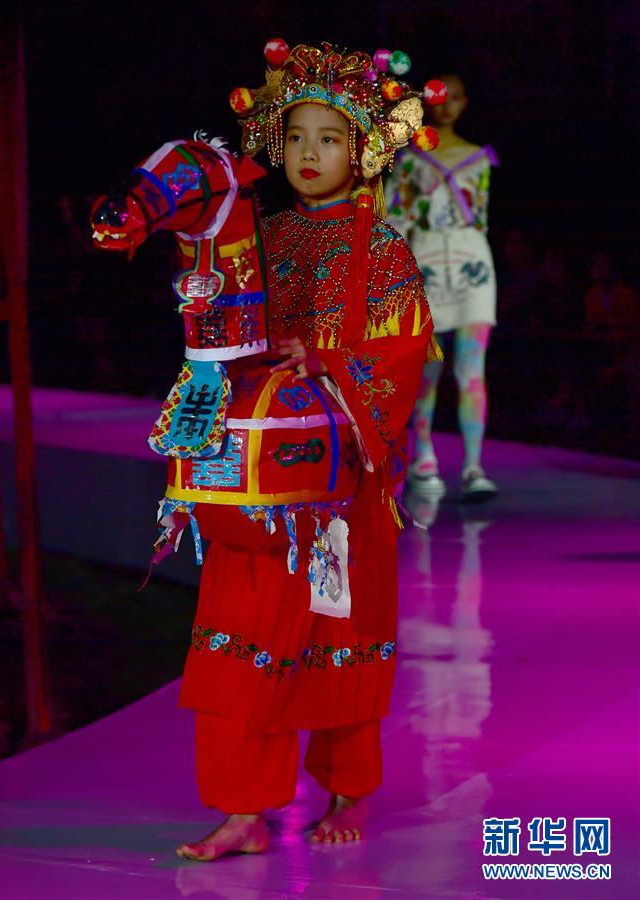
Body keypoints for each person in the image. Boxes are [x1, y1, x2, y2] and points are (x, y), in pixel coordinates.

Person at [173, 41, 439, 861]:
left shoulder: (381, 250)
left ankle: (347, 786)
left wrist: (326, 360)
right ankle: (243, 809)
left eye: (328, 138)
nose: (308, 153)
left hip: (337, 492)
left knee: (332, 632)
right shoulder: (257, 238)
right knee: (236, 632)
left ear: (359, 151)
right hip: (256, 480)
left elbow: (402, 359)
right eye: (294, 137)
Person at [386, 73, 498, 500]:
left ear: (465, 102)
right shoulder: (410, 159)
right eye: (439, 97)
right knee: (427, 370)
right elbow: (396, 215)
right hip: (427, 260)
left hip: (472, 262)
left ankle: (474, 466)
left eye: (455, 97)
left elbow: (480, 214)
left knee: (471, 370)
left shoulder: (479, 157)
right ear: (427, 102)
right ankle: (424, 456)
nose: (447, 104)